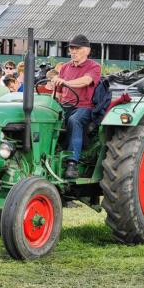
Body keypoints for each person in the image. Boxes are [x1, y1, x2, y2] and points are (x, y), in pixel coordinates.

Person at [52, 34, 101, 179]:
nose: (73, 51)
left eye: (77, 48)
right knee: (49, 117)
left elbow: (86, 81)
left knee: (75, 120)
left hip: (85, 107)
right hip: (66, 105)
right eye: (71, 48)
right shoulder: (65, 68)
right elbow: (58, 95)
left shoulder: (94, 67)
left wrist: (65, 82)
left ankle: (72, 163)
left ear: (87, 50)